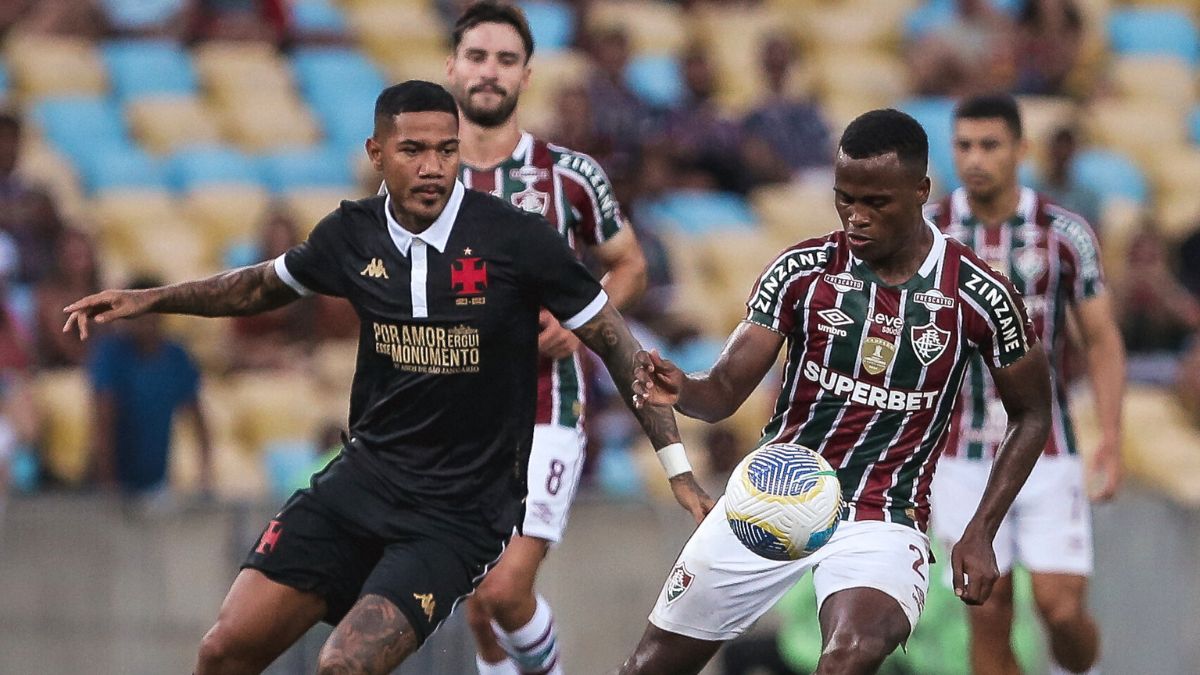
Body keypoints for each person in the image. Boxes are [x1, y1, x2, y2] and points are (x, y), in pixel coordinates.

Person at [63, 80, 711, 675]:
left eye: (445, 150)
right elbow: (259, 287)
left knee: (344, 664)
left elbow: (619, 346)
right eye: (413, 150)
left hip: (458, 513)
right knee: (223, 650)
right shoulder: (353, 233)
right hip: (360, 482)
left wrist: (677, 466)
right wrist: (150, 298)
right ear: (377, 152)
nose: (432, 166)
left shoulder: (516, 240)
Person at [619, 108, 1053, 675]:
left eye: (876, 203)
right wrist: (683, 389)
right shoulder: (802, 272)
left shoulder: (980, 294)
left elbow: (1033, 414)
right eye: (845, 199)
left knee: (846, 658)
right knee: (648, 668)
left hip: (883, 515)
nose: (856, 218)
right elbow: (723, 392)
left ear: (921, 190)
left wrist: (980, 529)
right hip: (774, 497)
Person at [439, 5, 649, 674]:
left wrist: (582, 316)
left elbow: (630, 263)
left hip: (546, 408)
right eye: (477, 57)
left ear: (526, 75)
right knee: (479, 606)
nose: (489, 72)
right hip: (457, 414)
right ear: (453, 68)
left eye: (505, 60)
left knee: (504, 589)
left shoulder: (569, 174)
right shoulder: (423, 179)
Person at [926, 93, 1126, 675]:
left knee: (1060, 609)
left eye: (990, 145)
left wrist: (1110, 438)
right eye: (964, 145)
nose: (975, 158)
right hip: (959, 456)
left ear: (1020, 150)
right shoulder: (929, 233)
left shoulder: (1065, 233)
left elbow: (1103, 339)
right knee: (986, 617)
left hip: (1048, 448)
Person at [85, 275, 215, 513]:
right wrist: (108, 485)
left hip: (156, 485)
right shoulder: (111, 355)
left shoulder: (176, 357)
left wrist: (204, 476)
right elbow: (104, 420)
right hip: (112, 485)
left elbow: (199, 420)